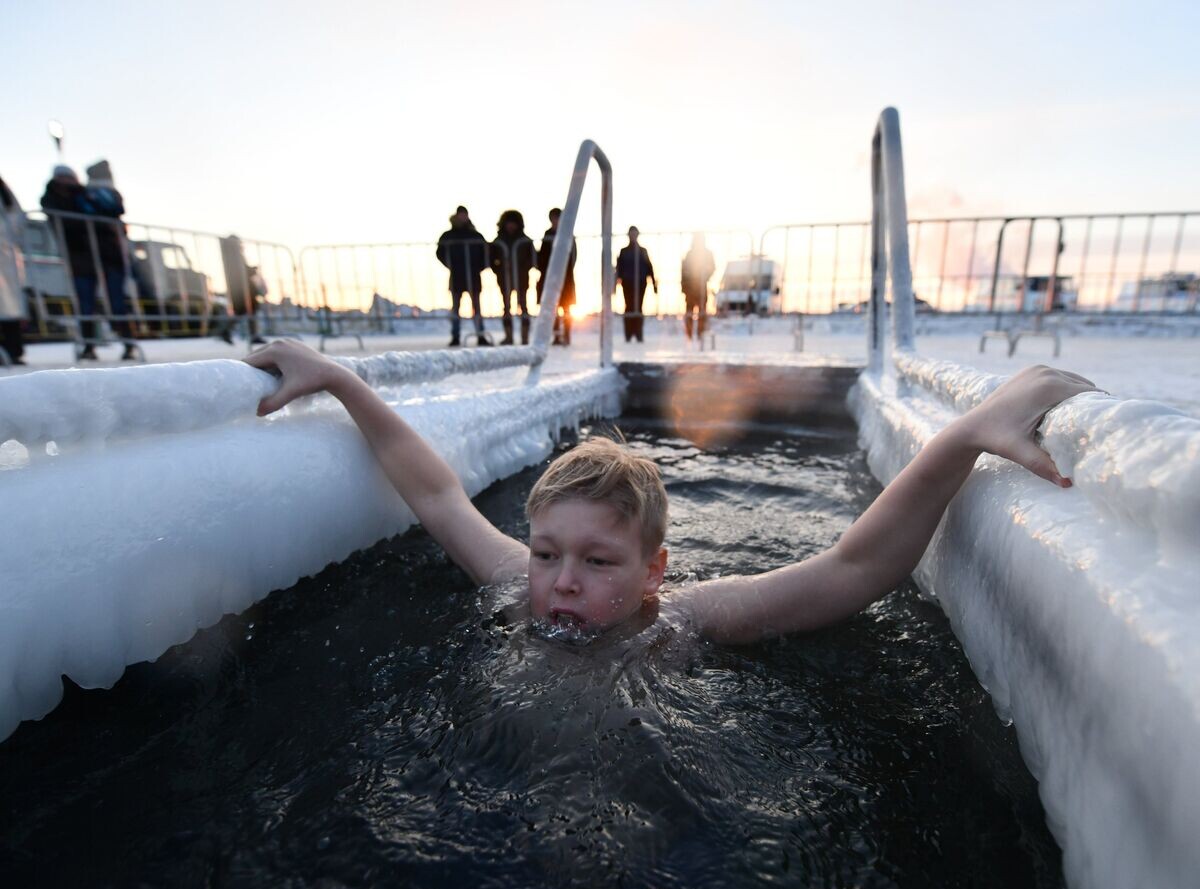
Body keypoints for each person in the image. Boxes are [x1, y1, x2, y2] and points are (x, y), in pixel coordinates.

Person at [246, 341, 1097, 645]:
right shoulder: (516, 584)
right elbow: (436, 494)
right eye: (546, 552)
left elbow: (854, 567)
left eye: (596, 558)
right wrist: (344, 382)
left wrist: (961, 435)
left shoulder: (687, 619)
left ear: (655, 571)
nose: (561, 579)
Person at [41, 163, 137, 360]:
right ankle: (89, 345)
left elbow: (113, 212)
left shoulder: (87, 194)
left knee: (116, 301)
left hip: (108, 256)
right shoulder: (54, 198)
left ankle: (128, 341)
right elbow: (65, 222)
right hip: (80, 257)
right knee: (85, 303)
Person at [436, 206, 490, 347]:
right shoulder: (448, 236)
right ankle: (455, 336)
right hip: (457, 276)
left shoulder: (475, 235)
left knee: (476, 307)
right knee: (456, 308)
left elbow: (486, 253)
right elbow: (440, 253)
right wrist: (451, 265)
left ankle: (480, 335)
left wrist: (479, 267)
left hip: (473, 276)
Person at [490, 210, 535, 345]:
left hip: (522, 279)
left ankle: (525, 336)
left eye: (513, 223)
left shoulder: (525, 240)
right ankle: (508, 336)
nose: (511, 226)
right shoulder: (499, 241)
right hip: (504, 279)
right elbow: (492, 259)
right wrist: (500, 269)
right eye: (509, 223)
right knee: (506, 307)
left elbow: (532, 259)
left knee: (524, 307)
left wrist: (522, 266)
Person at [536, 207, 577, 346]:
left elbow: (573, 256)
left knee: (566, 307)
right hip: (550, 278)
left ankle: (566, 334)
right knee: (552, 308)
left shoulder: (568, 233)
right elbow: (542, 257)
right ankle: (555, 335)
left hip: (566, 277)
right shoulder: (547, 235)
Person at [220, 235, 266, 345]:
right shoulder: (233, 255)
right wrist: (252, 270)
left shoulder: (231, 255)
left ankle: (228, 332)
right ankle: (228, 332)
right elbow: (240, 271)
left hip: (242, 289)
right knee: (245, 311)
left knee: (245, 312)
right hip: (243, 290)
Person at [0, 174, 27, 365]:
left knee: (10, 305)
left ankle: (13, 349)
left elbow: (16, 217)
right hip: (6, 251)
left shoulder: (4, 191)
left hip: (6, 252)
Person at [615, 226, 657, 343]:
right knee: (629, 308)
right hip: (627, 283)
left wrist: (654, 284)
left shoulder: (643, 251)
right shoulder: (624, 251)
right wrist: (615, 284)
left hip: (640, 282)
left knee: (638, 308)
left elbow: (649, 267)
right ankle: (628, 334)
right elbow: (619, 269)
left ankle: (638, 333)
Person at [681, 232, 715, 340]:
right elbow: (684, 271)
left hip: (701, 287)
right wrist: (684, 286)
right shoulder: (690, 254)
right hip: (690, 288)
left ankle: (700, 333)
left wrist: (705, 276)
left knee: (702, 311)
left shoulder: (707, 254)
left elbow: (713, 267)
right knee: (689, 311)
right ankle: (689, 334)